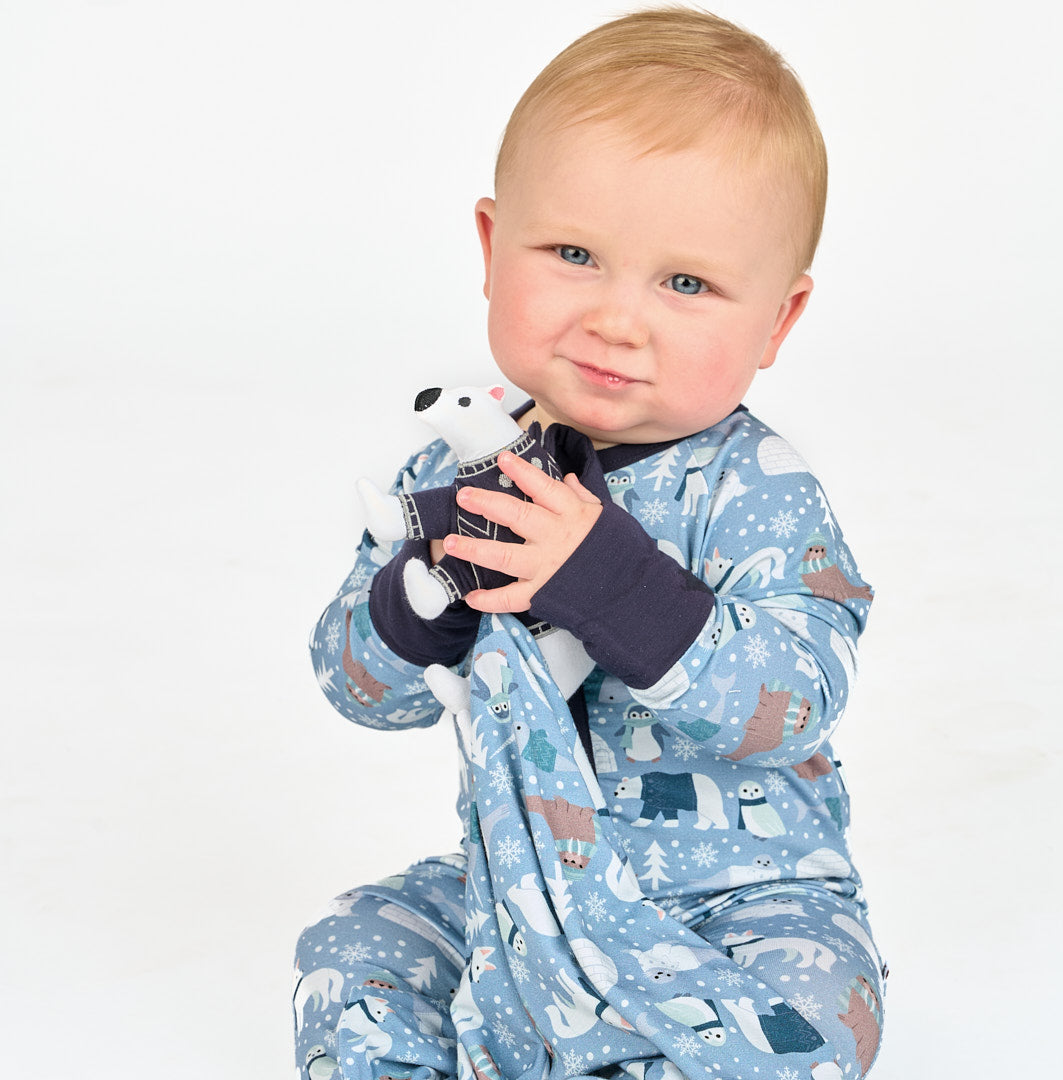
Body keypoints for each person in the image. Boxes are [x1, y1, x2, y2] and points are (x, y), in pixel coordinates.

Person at [295, 9, 886, 1080]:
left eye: (687, 283)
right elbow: (356, 687)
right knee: (355, 942)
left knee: (821, 1016)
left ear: (777, 322)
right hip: (520, 896)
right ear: (489, 248)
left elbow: (799, 693)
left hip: (740, 902)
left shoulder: (758, 490)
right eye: (574, 254)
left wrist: (609, 583)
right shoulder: (458, 470)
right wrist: (416, 601)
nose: (619, 319)